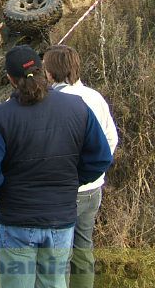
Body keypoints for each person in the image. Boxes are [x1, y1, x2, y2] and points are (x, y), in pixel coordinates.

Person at [0, 45, 113, 288]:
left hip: (17, 219)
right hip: (60, 217)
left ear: (10, 80)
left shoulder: (2, 116)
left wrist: (5, 193)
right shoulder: (77, 107)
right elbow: (100, 158)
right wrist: (71, 181)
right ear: (43, 71)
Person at [42, 45, 119, 288]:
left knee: (58, 254)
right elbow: (111, 139)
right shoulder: (95, 97)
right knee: (84, 246)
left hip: (62, 191)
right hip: (92, 188)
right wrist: (92, 173)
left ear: (51, 73)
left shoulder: (52, 103)